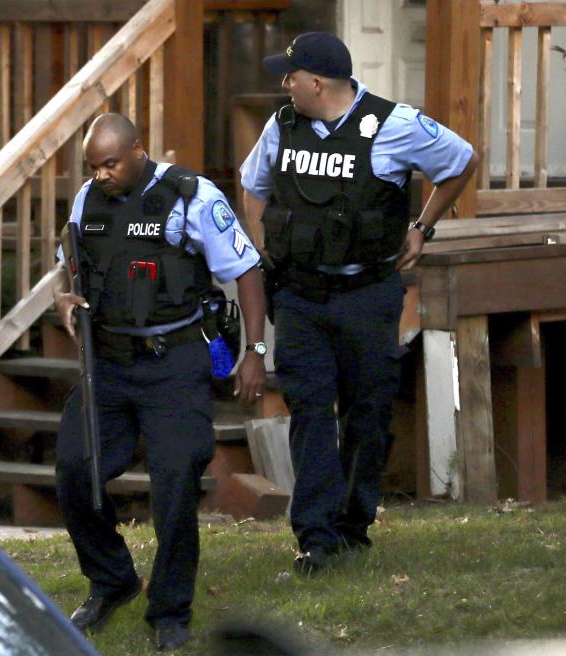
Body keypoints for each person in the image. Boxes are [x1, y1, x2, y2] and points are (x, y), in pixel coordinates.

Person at [239, 32, 478, 575]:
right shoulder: (283, 125)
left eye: (291, 75)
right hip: (299, 294)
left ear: (317, 82)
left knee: (368, 413)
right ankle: (315, 539)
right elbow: (251, 184)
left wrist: (422, 227)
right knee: (310, 409)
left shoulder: (394, 125)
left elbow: (461, 160)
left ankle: (352, 525)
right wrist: (260, 243)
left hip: (367, 294)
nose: (284, 84)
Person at [54, 113, 267, 651]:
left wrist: (254, 353)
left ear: (138, 151)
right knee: (75, 469)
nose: (100, 174)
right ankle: (112, 582)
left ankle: (170, 610)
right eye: (93, 166)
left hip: (174, 362)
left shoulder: (192, 196)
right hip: (108, 361)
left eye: (110, 163)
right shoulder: (86, 200)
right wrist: (63, 297)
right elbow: (69, 264)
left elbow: (246, 270)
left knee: (174, 482)